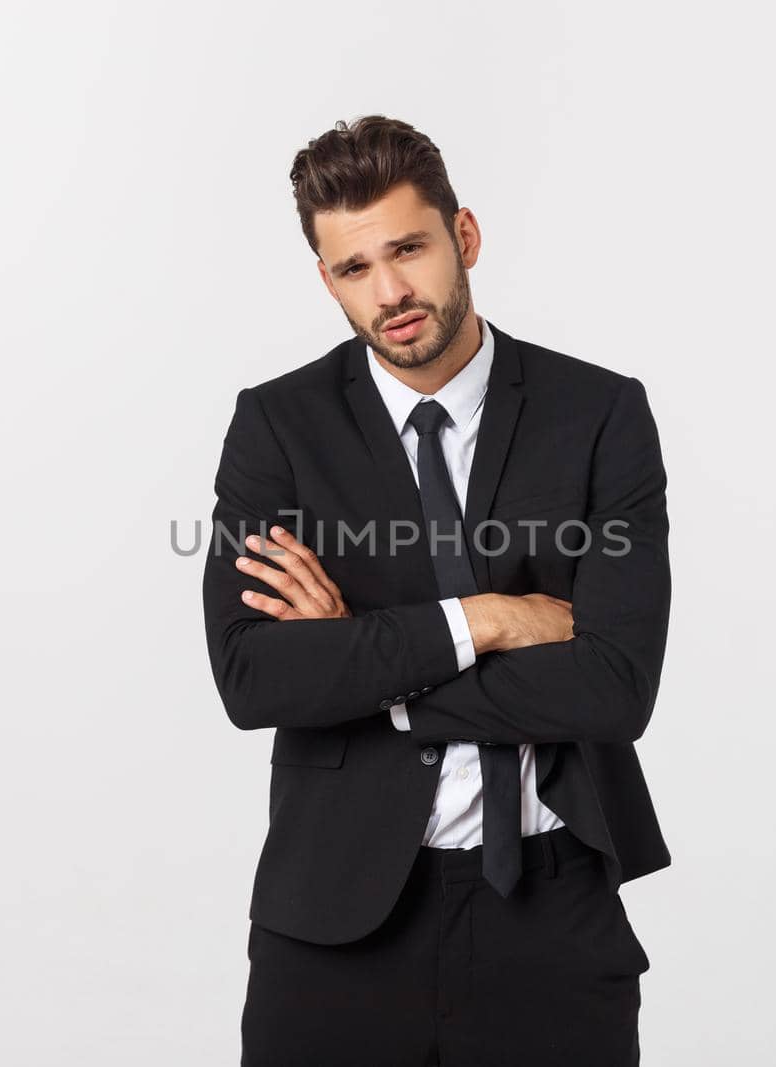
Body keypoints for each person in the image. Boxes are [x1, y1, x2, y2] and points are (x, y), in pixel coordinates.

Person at [201, 114, 673, 1066]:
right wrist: (487, 620)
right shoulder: (277, 428)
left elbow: (615, 686)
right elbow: (255, 679)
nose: (390, 293)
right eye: (353, 269)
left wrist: (361, 656)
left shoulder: (598, 414)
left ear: (463, 236)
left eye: (408, 249)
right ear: (327, 279)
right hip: (334, 921)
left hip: (551, 912)